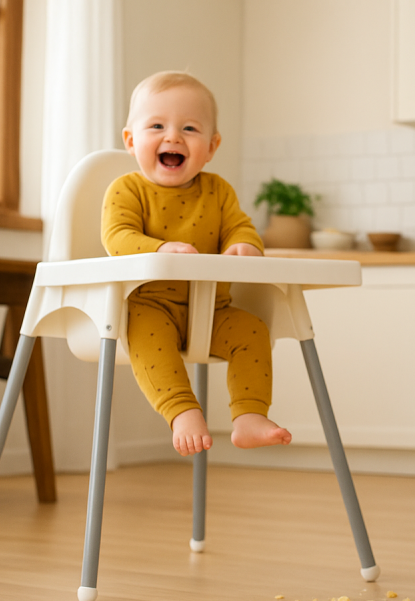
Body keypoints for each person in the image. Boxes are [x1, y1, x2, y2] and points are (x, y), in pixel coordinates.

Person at [102, 71, 292, 456]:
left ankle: (249, 415)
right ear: (131, 139)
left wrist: (244, 246)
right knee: (147, 335)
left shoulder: (218, 191)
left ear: (211, 146)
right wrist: (159, 250)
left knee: (252, 330)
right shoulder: (127, 189)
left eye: (189, 128)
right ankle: (182, 410)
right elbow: (117, 239)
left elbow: (242, 227)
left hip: (212, 310)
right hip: (149, 306)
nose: (173, 137)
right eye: (157, 125)